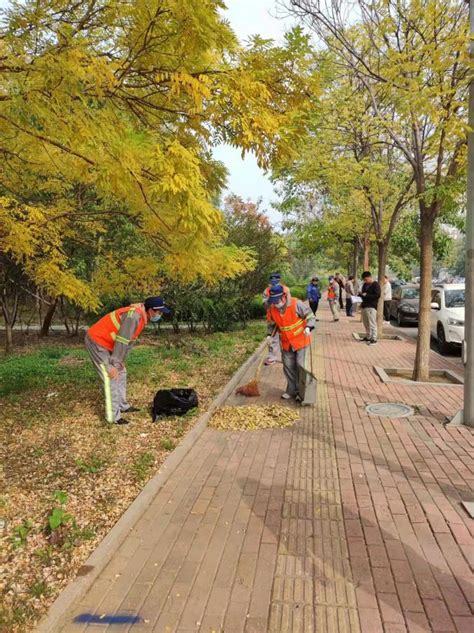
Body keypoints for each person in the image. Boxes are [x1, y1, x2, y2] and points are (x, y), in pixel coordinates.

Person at [85, 296, 171, 424]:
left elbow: (129, 341)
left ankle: (122, 405)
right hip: (97, 342)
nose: (160, 315)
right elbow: (122, 341)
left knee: (121, 371)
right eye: (159, 312)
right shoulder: (134, 317)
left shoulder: (141, 316)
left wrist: (121, 361)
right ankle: (113, 417)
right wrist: (114, 363)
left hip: (109, 343)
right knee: (111, 375)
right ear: (151, 310)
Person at [266, 285, 315, 400]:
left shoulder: (296, 304)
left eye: (276, 301)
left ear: (283, 297)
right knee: (288, 366)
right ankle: (292, 390)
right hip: (286, 342)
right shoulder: (273, 309)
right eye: (273, 301)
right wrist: (269, 336)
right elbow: (272, 325)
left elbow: (310, 316)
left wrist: (308, 327)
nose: (275, 304)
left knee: (299, 365)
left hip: (300, 340)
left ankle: (302, 392)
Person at [262, 272, 291, 365]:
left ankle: (287, 357)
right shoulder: (267, 291)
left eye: (276, 280)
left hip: (284, 317)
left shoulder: (286, 290)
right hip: (272, 318)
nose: (274, 282)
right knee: (271, 338)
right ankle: (272, 357)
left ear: (279, 280)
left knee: (285, 337)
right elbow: (265, 305)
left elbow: (289, 304)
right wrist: (269, 302)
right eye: (272, 280)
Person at [360, 271, 381, 345]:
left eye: (366, 279)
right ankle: (368, 336)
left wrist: (367, 295)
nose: (365, 281)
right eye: (364, 280)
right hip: (364, 306)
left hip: (371, 306)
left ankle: (374, 338)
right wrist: (360, 295)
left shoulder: (376, 285)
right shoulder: (365, 285)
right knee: (366, 323)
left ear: (370, 277)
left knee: (372, 323)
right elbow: (363, 294)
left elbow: (377, 295)